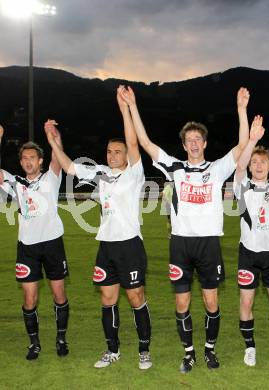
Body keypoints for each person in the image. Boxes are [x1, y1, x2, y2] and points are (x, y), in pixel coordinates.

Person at [119, 85, 250, 372]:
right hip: (180, 243)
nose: (193, 143)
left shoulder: (215, 169)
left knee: (211, 301)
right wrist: (132, 106)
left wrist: (241, 110)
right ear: (184, 144)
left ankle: (209, 350)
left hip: (208, 244)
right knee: (182, 303)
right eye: (188, 139)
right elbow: (145, 142)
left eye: (197, 139)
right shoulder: (175, 167)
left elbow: (241, 147)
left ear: (204, 143)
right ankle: (189, 352)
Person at [44, 87, 152, 370]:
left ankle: (144, 350)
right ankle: (112, 350)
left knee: (136, 296)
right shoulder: (101, 173)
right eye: (109, 151)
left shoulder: (134, 173)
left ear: (127, 155)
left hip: (130, 245)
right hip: (106, 245)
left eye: (118, 151)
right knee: (107, 298)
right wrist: (54, 143)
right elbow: (69, 167)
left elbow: (133, 142)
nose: (113, 154)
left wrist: (125, 108)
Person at [0, 121, 70, 360]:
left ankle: (61, 338)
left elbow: (57, 154)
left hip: (52, 244)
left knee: (59, 295)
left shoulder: (51, 178)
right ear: (21, 162)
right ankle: (34, 343)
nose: (28, 161)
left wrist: (53, 133)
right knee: (30, 298)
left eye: (33, 157)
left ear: (40, 161)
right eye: (24, 158)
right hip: (27, 248)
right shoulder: (16, 183)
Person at [233, 115, 269, 367]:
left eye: (263, 162)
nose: (257, 165)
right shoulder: (242, 186)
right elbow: (238, 168)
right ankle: (250, 347)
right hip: (248, 253)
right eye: (253, 161)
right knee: (246, 301)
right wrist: (251, 142)